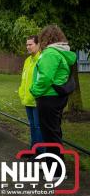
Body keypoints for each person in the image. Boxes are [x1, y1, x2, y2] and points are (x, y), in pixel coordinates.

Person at [30, 25, 76, 178]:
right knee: (54, 132)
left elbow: (45, 78)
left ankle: (56, 172)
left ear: (45, 38)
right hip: (56, 98)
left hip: (48, 98)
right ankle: (52, 165)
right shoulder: (60, 53)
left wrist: (34, 91)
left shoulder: (50, 53)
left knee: (50, 134)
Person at [18, 35, 43, 154]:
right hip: (27, 99)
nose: (27, 47)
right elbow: (24, 79)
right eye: (27, 44)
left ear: (38, 45)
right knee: (32, 127)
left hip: (37, 100)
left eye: (30, 44)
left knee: (39, 128)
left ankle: (41, 153)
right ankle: (33, 150)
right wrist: (21, 93)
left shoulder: (42, 59)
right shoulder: (27, 60)